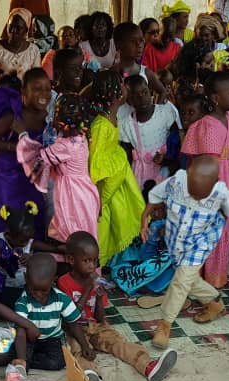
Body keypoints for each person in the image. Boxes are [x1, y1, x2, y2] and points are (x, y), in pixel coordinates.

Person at [60, 231, 178, 381]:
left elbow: (100, 317)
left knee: (118, 342)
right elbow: (71, 318)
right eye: (86, 261)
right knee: (78, 350)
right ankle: (91, 377)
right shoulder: (64, 283)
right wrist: (88, 290)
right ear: (70, 259)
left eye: (95, 261)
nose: (92, 266)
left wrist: (99, 299)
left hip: (94, 325)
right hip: (73, 329)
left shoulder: (95, 281)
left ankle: (149, 366)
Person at [142, 156, 229, 349]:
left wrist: (214, 232)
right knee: (188, 280)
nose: (196, 198)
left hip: (200, 243)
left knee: (180, 282)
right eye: (193, 193)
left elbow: (228, 213)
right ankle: (214, 302)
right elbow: (154, 195)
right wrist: (144, 218)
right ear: (188, 174)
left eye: (201, 196)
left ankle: (164, 325)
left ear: (214, 184)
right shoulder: (176, 181)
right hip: (176, 241)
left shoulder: (221, 192)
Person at [180, 70, 229, 287]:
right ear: (216, 98)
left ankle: (215, 278)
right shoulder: (206, 125)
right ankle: (197, 281)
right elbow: (204, 162)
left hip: (223, 180)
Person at [17, 93, 100, 246]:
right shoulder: (81, 137)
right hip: (85, 190)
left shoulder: (64, 146)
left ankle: (71, 262)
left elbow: (38, 159)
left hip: (72, 195)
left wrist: (22, 135)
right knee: (84, 229)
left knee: (71, 231)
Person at [88, 70, 145, 266]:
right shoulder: (100, 126)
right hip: (105, 186)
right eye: (122, 84)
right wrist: (99, 199)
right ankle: (97, 263)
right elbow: (95, 164)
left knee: (118, 221)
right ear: (113, 93)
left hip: (117, 180)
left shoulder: (112, 118)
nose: (126, 88)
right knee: (104, 225)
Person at [0, 70, 50, 240]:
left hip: (33, 174)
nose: (43, 94)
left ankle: (31, 253)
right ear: (23, 93)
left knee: (34, 209)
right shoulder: (15, 116)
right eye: (37, 89)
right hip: (8, 173)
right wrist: (16, 147)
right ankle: (3, 253)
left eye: (47, 89)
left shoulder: (49, 117)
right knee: (10, 213)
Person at [12, 251, 90, 371]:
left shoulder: (62, 299)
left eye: (44, 290)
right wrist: (22, 361)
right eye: (34, 289)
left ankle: (28, 360)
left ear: (53, 280)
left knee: (58, 362)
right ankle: (24, 360)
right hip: (28, 339)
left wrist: (85, 346)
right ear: (26, 278)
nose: (38, 295)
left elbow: (73, 324)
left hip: (52, 339)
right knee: (21, 357)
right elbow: (21, 333)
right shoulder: (22, 301)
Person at [118, 75, 181, 190]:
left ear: (150, 91)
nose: (142, 98)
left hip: (165, 168)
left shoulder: (165, 112)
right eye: (135, 96)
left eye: (144, 92)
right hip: (141, 174)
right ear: (128, 99)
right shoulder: (126, 124)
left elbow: (177, 139)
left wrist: (167, 158)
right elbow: (126, 155)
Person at [0, 8, 41, 87]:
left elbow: (36, 78)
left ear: (26, 30)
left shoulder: (33, 50)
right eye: (10, 26)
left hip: (23, 96)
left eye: (18, 28)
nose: (13, 30)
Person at [113, 21, 167, 99]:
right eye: (133, 41)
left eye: (141, 41)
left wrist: (155, 109)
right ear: (119, 44)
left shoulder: (145, 72)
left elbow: (163, 92)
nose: (139, 45)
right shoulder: (112, 73)